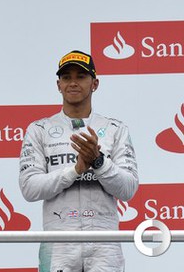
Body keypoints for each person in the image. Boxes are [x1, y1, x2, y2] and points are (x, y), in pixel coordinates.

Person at [19, 50, 139, 272]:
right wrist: (74, 171)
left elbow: (128, 189)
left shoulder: (115, 129)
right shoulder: (39, 129)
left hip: (105, 240)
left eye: (81, 76)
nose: (73, 83)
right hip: (59, 240)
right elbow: (29, 188)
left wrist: (99, 162)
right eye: (66, 77)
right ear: (58, 85)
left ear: (95, 83)